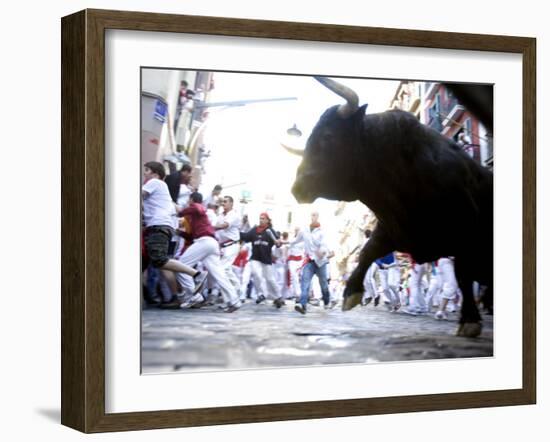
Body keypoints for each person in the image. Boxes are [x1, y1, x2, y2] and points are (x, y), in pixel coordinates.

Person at [141, 162, 208, 308]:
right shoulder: (163, 192)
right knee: (155, 262)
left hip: (159, 226)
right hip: (164, 227)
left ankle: (196, 275)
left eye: (146, 170)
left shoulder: (154, 182)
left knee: (160, 260)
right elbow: (176, 208)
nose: (144, 173)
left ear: (156, 173)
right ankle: (183, 294)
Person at [176, 192, 241, 312]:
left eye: (189, 201)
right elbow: (191, 236)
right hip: (212, 244)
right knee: (219, 274)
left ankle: (194, 295)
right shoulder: (195, 216)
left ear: (191, 200)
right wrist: (179, 232)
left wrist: (179, 211)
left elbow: (198, 208)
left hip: (207, 242)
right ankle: (234, 300)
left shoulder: (197, 208)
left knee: (180, 265)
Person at [239, 212, 285, 308]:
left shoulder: (270, 231)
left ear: (268, 220)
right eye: (260, 218)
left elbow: (278, 243)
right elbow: (245, 236)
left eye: (263, 218)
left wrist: (278, 243)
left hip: (266, 259)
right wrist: (237, 229)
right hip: (255, 258)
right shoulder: (254, 230)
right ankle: (261, 294)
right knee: (257, 274)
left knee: (270, 279)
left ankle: (278, 296)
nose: (261, 220)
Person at [290, 211, 332, 314]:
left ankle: (326, 301)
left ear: (318, 217)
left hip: (320, 263)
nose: (314, 217)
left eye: (316, 215)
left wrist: (322, 252)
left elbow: (324, 245)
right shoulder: (304, 230)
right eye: (312, 215)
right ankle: (302, 304)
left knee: (324, 285)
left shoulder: (322, 232)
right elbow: (295, 241)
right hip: (309, 261)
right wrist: (283, 241)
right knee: (305, 282)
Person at [214, 195, 242, 296]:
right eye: (223, 202)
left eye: (225, 202)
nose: (223, 204)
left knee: (222, 270)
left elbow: (224, 225)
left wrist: (209, 227)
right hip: (223, 247)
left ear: (231, 204)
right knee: (226, 270)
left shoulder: (234, 214)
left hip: (232, 245)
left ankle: (231, 295)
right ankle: (237, 289)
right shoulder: (221, 215)